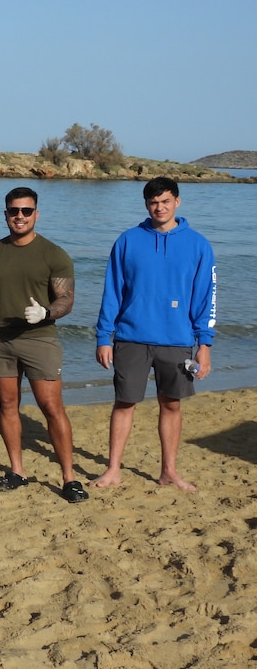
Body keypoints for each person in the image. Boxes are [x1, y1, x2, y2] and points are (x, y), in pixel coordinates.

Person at [0, 186, 88, 503]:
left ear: (36, 214)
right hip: (1, 341)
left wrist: (46, 312)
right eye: (14, 211)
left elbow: (67, 300)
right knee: (8, 406)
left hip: (40, 339)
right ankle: (17, 471)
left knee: (51, 407)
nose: (20, 216)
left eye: (26, 211)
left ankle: (69, 478)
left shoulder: (54, 254)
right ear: (5, 214)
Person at [92, 177, 216, 492]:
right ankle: (113, 470)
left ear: (177, 201)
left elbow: (206, 298)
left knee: (171, 405)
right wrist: (104, 336)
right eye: (153, 202)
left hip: (176, 340)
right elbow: (112, 292)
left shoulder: (198, 245)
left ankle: (169, 472)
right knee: (124, 402)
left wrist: (205, 344)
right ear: (147, 205)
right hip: (131, 338)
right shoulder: (128, 240)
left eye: (165, 201)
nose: (159, 207)